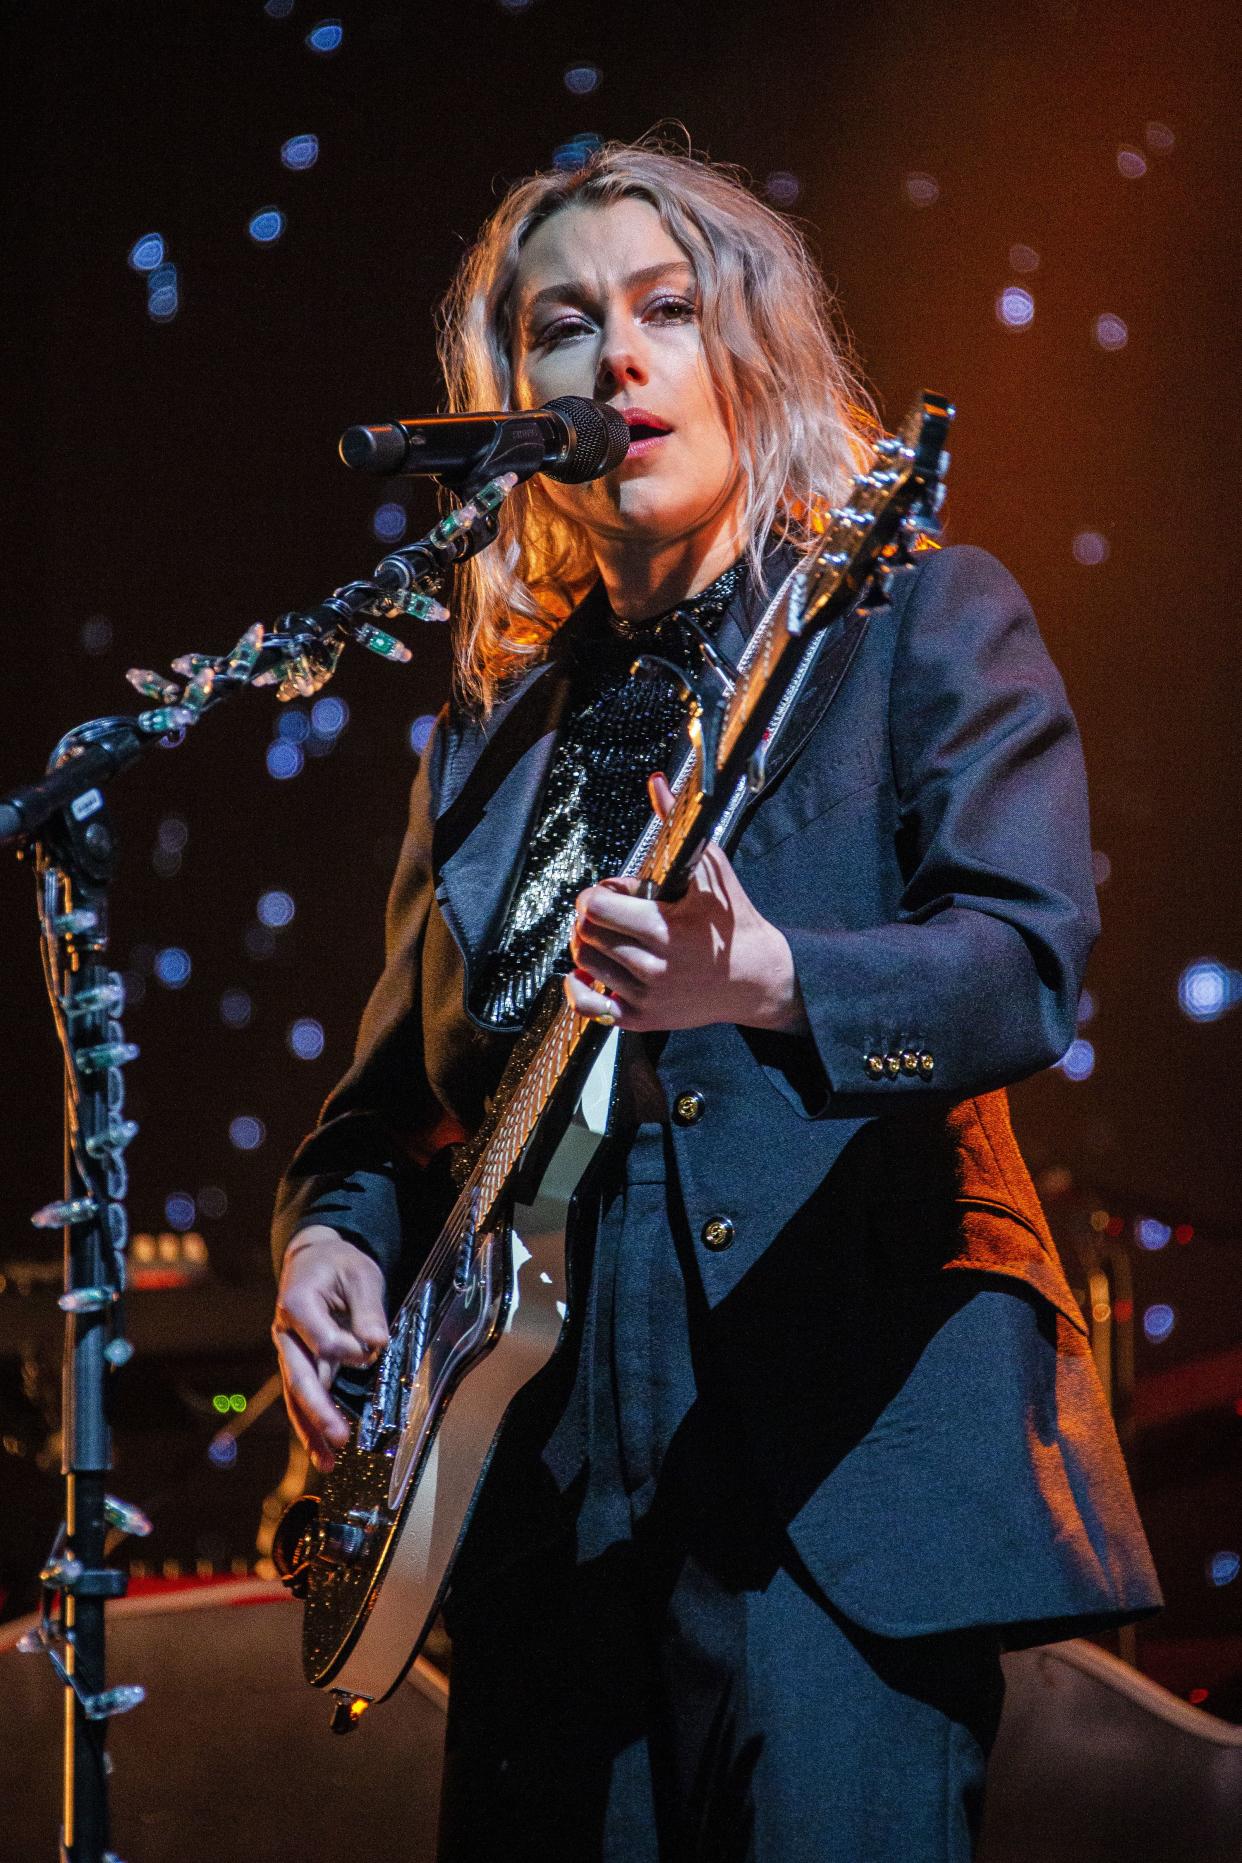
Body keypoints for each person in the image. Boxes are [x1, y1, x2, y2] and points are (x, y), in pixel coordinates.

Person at [270, 140, 1161, 1861]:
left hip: (835, 1494)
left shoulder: (910, 623)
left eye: (664, 311)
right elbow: (384, 1115)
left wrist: (772, 982)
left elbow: (1027, 966)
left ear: (747, 351)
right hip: (539, 1530)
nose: (610, 358)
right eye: (561, 324)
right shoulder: (488, 744)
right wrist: (334, 1242)